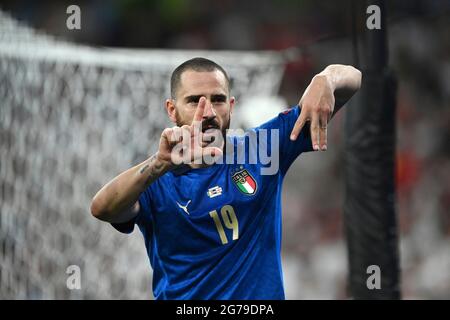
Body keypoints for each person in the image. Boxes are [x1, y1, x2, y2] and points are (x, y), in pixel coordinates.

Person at [90, 57, 361, 299]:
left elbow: (353, 79)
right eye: (195, 100)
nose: (207, 112)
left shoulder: (262, 150)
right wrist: (159, 164)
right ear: (172, 110)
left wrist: (325, 78)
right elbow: (101, 208)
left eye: (217, 99)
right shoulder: (154, 180)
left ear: (230, 106)